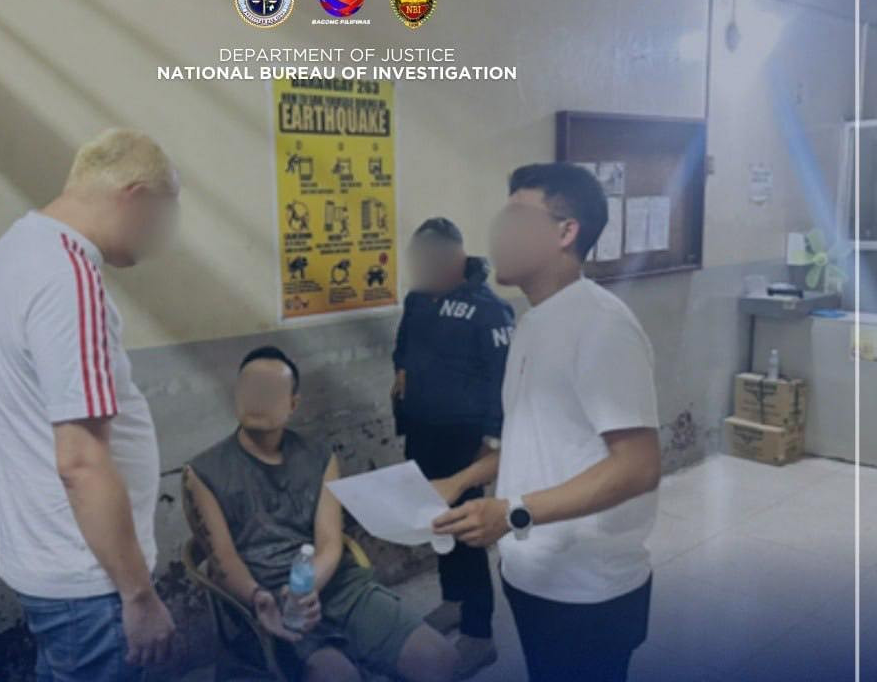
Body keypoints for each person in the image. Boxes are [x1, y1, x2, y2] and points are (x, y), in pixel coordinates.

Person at [433, 163, 662, 682]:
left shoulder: (601, 327)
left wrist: (513, 513)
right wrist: (460, 481)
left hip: (588, 590)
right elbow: (534, 439)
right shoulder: (533, 321)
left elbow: (639, 466)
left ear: (566, 232)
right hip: (534, 572)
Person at [0, 128, 181, 681]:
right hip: (91, 580)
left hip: (54, 566)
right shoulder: (70, 274)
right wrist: (138, 595)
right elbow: (81, 462)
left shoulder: (19, 248)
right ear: (135, 198)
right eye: (163, 217)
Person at [182, 346, 457, 682]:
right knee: (338, 675)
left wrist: (308, 588)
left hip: (334, 584)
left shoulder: (319, 456)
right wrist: (259, 598)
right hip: (265, 598)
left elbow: (329, 542)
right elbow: (222, 558)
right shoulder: (202, 472)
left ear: (292, 404)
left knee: (438, 658)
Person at [390, 217, 514, 678]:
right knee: (435, 523)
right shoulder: (417, 298)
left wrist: (491, 442)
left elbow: (503, 382)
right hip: (422, 431)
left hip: (466, 440)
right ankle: (454, 601)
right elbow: (403, 347)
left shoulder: (490, 310)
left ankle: (479, 633)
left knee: (467, 531)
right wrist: (402, 372)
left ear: (456, 257)